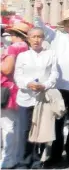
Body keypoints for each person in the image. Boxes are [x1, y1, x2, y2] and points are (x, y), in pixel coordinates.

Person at [34, 4, 69, 166]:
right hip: (59, 87)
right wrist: (39, 11)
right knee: (57, 123)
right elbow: (39, 26)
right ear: (63, 24)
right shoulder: (56, 36)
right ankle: (56, 154)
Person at [14, 27, 58, 169]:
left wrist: (44, 85)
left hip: (42, 98)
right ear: (28, 38)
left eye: (39, 37)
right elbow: (17, 76)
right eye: (33, 37)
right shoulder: (23, 56)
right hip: (26, 99)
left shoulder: (50, 54)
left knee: (39, 131)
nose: (36, 40)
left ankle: (36, 162)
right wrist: (28, 84)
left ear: (43, 39)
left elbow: (54, 74)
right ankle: (23, 162)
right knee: (24, 131)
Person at [1, 22, 32, 169]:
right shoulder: (27, 47)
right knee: (19, 125)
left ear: (15, 35)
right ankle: (16, 156)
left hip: (8, 89)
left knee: (8, 126)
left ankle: (8, 159)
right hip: (20, 89)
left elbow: (7, 69)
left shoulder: (14, 48)